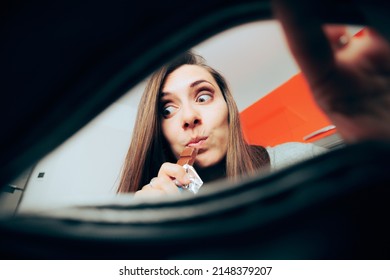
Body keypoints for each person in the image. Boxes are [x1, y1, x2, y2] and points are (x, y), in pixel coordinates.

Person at [118, 0, 390, 197]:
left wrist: (379, 147)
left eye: (202, 97)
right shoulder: (154, 204)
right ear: (157, 130)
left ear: (229, 107)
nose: (189, 117)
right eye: (167, 109)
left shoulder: (296, 161)